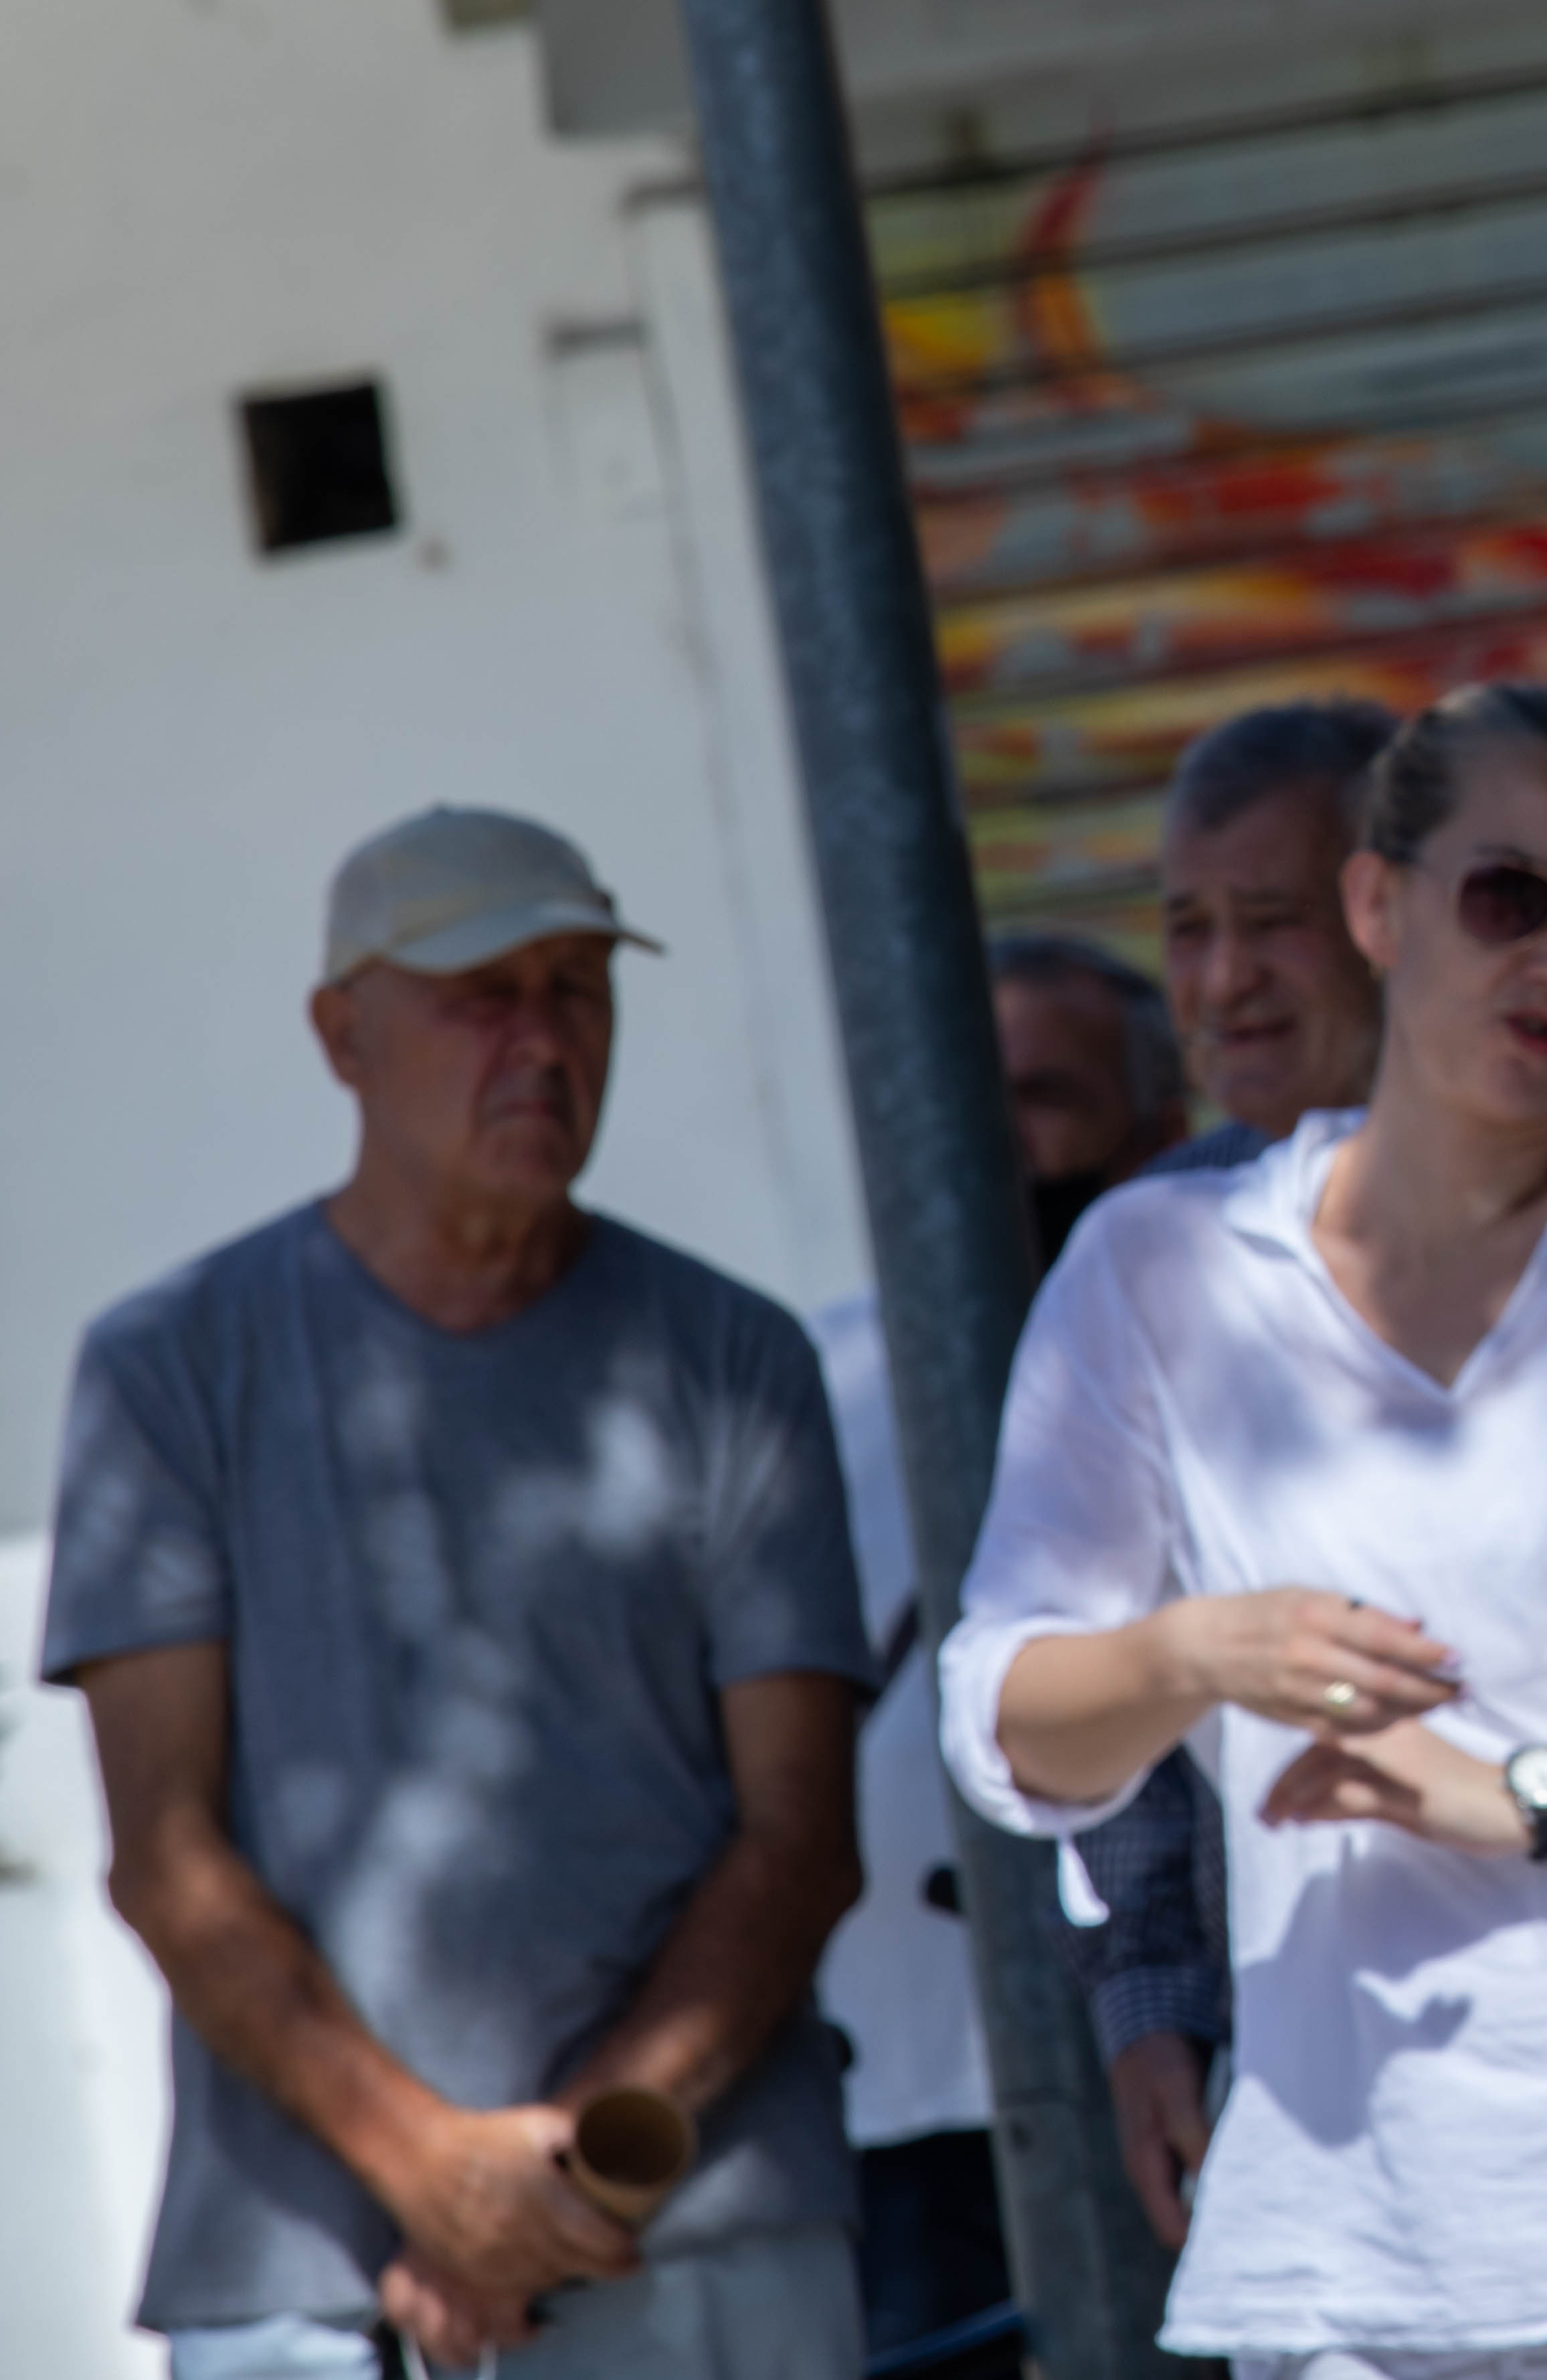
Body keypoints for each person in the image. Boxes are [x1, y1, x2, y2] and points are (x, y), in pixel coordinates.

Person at [937, 684, 1547, 2379]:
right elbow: (1007, 1707)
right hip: (1362, 2222)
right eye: (1507, 897)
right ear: (1380, 903)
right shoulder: (1156, 1270)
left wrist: (1526, 1793)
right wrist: (1195, 1656)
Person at [43, 806, 871, 2380]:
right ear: (340, 1036)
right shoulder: (170, 1368)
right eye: (482, 995)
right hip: (305, 2278)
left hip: (695, 2237)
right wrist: (428, 2170)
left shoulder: (734, 1357)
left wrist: (563, 2179)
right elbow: (164, 1853)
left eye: (578, 991)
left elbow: (801, 1835)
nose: (543, 1042)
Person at [1076, 695, 1547, 2247]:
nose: (1222, 981)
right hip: (1348, 2091)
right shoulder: (1156, 1251)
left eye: (1271, 923)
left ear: (1390, 911)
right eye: (1187, 929)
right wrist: (1150, 2004)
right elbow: (1103, 1657)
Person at [812, 932, 1192, 2380]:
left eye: (1044, 1098)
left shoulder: (1223, 1348)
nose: (993, 1146)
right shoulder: (823, 1376)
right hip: (909, 2095)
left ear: (1154, 1127)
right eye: (967, 1101)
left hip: (1174, 2050)